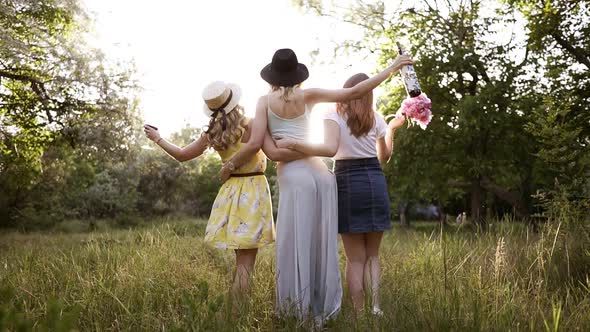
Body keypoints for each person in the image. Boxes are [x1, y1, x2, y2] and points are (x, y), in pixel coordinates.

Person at [218, 49, 413, 324]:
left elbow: (264, 150)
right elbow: (355, 91)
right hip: (322, 176)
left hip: (295, 178)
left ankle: (296, 310)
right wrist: (392, 68)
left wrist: (229, 166)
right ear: (296, 75)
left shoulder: (263, 101)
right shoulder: (308, 96)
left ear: (272, 78)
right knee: (322, 244)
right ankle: (322, 309)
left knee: (297, 242)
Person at [276, 73, 405, 315]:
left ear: (347, 91)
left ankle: (359, 314)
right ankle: (375, 309)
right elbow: (384, 156)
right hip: (375, 181)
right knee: (373, 256)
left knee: (355, 259)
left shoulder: (332, 114)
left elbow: (328, 148)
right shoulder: (375, 118)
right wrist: (392, 129)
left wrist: (293, 144)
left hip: (347, 182)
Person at [143, 81, 284, 300]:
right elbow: (269, 148)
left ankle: (234, 308)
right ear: (235, 102)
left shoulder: (213, 133)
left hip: (230, 192)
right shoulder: (252, 124)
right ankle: (238, 311)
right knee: (246, 263)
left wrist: (158, 138)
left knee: (241, 261)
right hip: (253, 192)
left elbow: (181, 155)